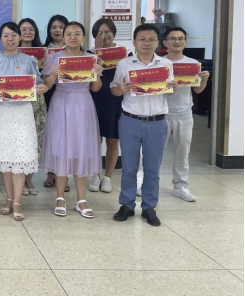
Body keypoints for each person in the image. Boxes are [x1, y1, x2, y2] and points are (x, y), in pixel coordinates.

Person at [111, 24, 177, 227]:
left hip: (157, 122)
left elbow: (169, 91)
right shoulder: (124, 64)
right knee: (129, 166)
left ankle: (149, 206)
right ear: (134, 42)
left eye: (151, 39)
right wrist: (121, 89)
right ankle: (127, 204)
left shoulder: (165, 64)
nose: (146, 43)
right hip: (130, 121)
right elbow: (114, 89)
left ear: (158, 43)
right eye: (142, 39)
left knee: (152, 168)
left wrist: (172, 88)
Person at [0, 22, 48, 221]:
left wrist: (42, 88)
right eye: (5, 35)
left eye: (13, 35)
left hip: (22, 113)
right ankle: (9, 199)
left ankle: (18, 202)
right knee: (6, 158)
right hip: (1, 113)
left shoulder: (29, 60)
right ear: (0, 39)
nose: (10, 39)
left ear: (20, 37)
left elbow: (39, 84)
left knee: (20, 157)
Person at [41, 21, 103, 219]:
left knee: (80, 149)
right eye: (68, 34)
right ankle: (60, 197)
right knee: (61, 149)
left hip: (83, 104)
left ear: (84, 37)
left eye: (77, 34)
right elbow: (47, 85)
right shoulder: (54, 57)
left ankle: (81, 199)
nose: (72, 37)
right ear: (63, 37)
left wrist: (96, 75)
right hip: (61, 103)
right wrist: (53, 75)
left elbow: (96, 89)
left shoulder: (90, 58)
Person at [163, 27, 210, 202]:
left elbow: (197, 90)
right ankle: (147, 183)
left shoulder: (192, 63)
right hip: (161, 113)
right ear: (165, 42)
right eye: (173, 38)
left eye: (180, 38)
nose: (177, 42)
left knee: (182, 152)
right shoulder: (159, 63)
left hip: (184, 113)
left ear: (185, 42)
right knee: (154, 152)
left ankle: (180, 185)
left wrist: (204, 79)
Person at [87, 18, 127, 194]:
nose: (104, 35)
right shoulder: (89, 54)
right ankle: (95, 175)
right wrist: (97, 52)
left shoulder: (124, 54)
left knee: (112, 139)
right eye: (100, 33)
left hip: (115, 99)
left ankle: (108, 177)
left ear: (114, 33)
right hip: (94, 98)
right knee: (95, 139)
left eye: (107, 32)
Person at [18, 17, 46, 196]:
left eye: (31, 29)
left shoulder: (44, 53)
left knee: (35, 141)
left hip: (36, 101)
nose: (27, 32)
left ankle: (29, 179)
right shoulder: (10, 52)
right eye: (23, 29)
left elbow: (46, 78)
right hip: (17, 101)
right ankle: (19, 178)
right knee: (20, 140)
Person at [42, 14, 69, 188]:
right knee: (53, 134)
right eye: (54, 27)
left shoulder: (76, 50)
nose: (57, 30)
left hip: (69, 94)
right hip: (48, 91)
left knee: (67, 135)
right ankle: (51, 172)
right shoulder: (44, 50)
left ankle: (64, 175)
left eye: (61, 27)